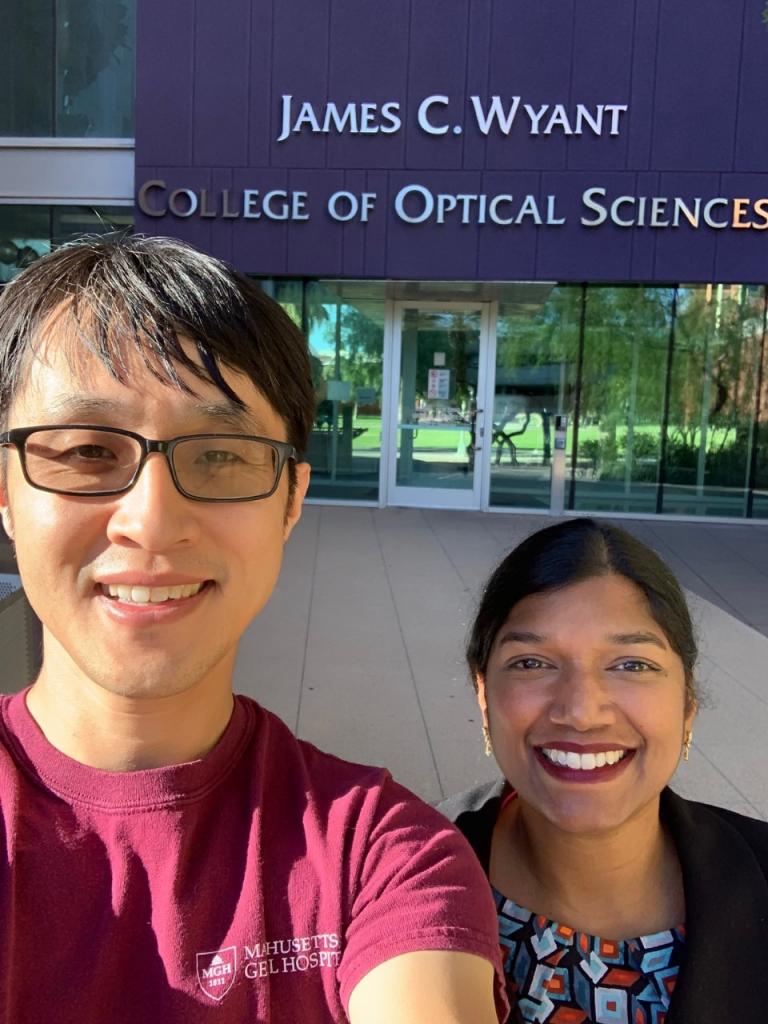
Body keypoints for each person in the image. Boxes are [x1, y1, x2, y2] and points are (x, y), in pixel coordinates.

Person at [0, 235, 507, 1023]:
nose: (151, 521)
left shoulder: (380, 858)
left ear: (292, 500)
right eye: (87, 451)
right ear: (4, 490)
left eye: (221, 455)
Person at [440, 519, 768, 1024]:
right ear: (484, 694)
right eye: (532, 663)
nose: (581, 710)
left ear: (688, 704)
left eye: (631, 664)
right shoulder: (403, 874)